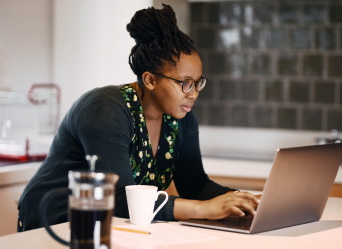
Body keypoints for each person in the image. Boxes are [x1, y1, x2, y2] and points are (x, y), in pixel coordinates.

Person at [17, 4, 259, 232]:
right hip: (56, 222)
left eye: (197, 83)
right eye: (185, 84)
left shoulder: (182, 118)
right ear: (150, 80)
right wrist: (202, 208)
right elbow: (120, 198)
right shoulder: (105, 111)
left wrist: (246, 200)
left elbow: (194, 184)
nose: (194, 93)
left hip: (110, 225)